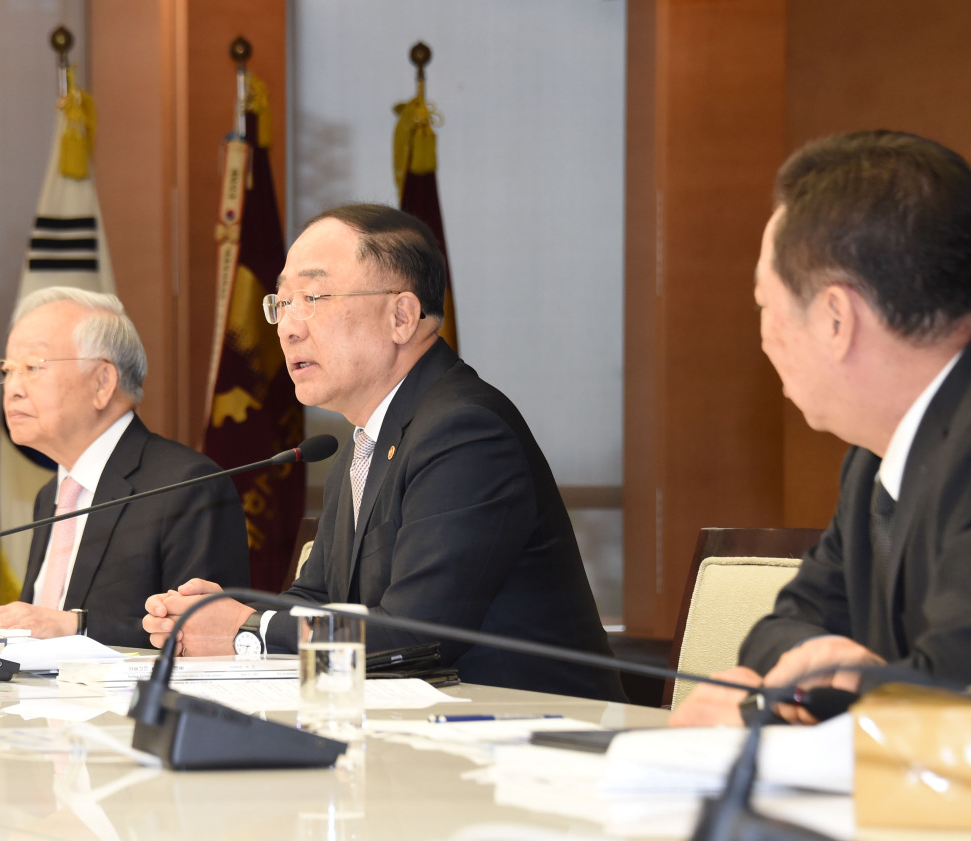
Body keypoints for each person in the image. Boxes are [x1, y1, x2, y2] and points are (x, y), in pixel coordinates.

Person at [143, 203, 625, 701]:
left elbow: (416, 636)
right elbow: (317, 599)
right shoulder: (364, 441)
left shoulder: (465, 432)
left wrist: (249, 630)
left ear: (401, 316)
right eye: (281, 303)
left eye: (311, 297)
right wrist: (218, 614)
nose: (287, 327)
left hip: (539, 743)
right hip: (427, 738)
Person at [672, 130, 971, 726]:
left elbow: (952, 701)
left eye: (765, 305)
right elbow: (780, 628)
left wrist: (771, 718)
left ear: (836, 318)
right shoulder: (875, 460)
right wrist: (829, 677)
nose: (763, 337)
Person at [0, 287, 249, 646]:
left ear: (103, 382)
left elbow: (201, 638)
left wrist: (76, 628)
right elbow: (45, 622)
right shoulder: (52, 495)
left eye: (32, 367)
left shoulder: (186, 486)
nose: (13, 388)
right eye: (7, 370)